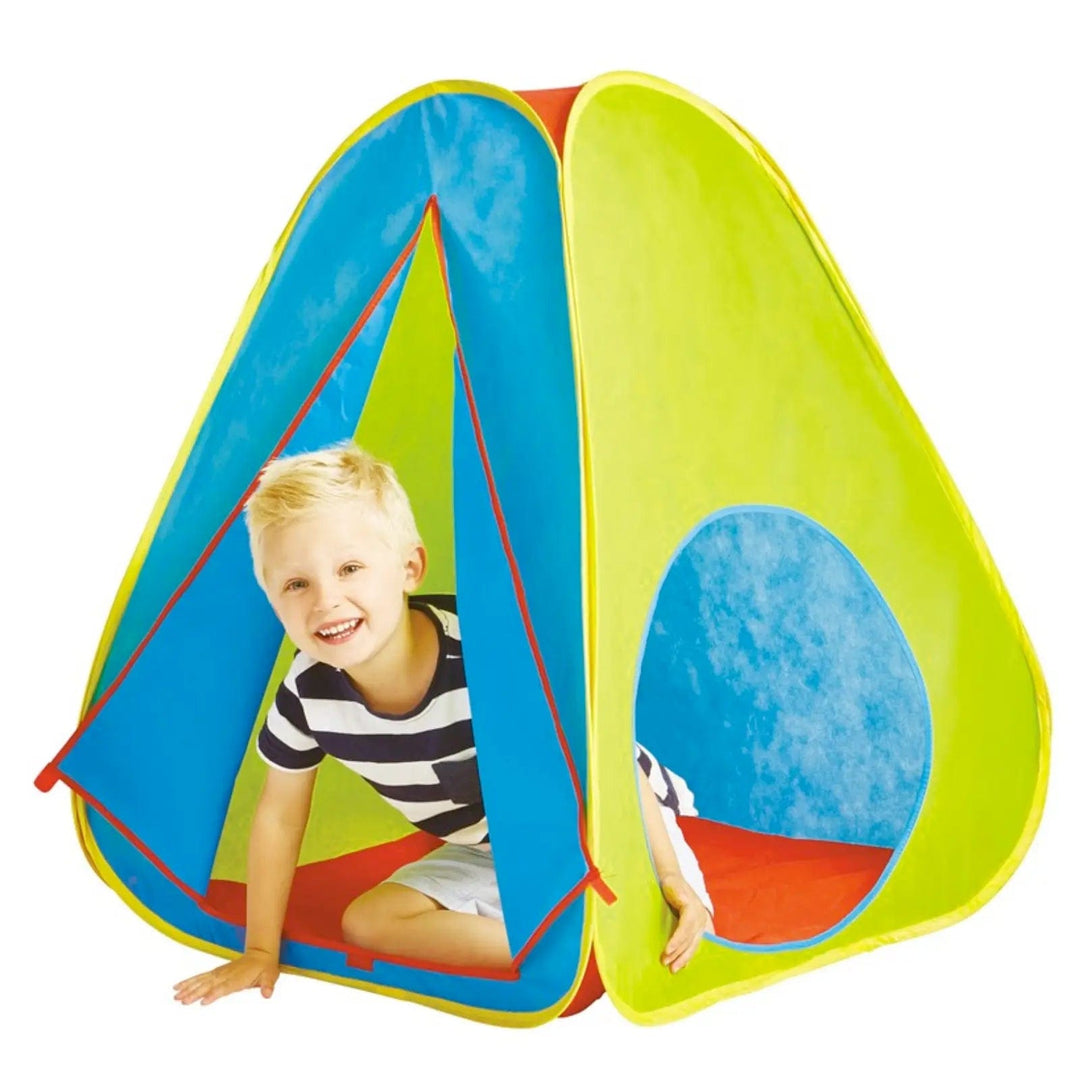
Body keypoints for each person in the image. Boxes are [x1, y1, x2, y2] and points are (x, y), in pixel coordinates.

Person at [173, 441, 714, 1006]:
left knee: (672, 929)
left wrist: (670, 874)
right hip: (488, 845)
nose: (327, 601)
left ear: (408, 568)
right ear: (272, 598)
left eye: (350, 568)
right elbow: (280, 816)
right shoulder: (306, 696)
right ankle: (568, 948)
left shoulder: (487, 656)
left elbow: (606, 758)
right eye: (296, 584)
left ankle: (611, 927)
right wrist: (261, 949)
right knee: (368, 922)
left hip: (613, 813)